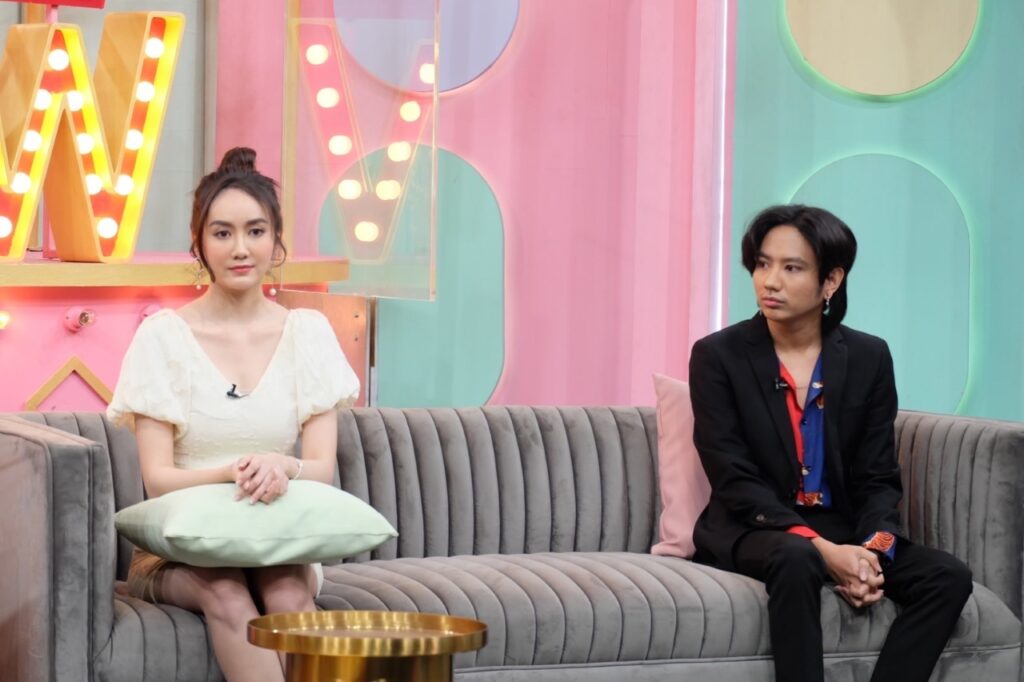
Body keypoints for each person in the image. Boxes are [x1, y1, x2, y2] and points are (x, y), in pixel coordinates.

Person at [688, 205, 972, 682]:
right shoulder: (718, 356)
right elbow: (733, 478)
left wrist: (870, 555)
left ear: (831, 281)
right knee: (797, 557)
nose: (770, 281)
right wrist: (824, 550)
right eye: (763, 264)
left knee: (948, 576)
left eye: (791, 268)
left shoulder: (868, 356)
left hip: (844, 529)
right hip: (754, 528)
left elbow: (878, 478)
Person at [107, 147, 359, 681]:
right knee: (227, 594)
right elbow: (157, 480)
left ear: (276, 240)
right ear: (198, 243)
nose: (240, 248)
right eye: (222, 233)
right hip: (179, 552)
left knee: (287, 595)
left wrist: (283, 465)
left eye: (255, 231)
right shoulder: (163, 338)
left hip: (276, 539)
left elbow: (320, 467)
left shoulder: (308, 333)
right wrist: (235, 472)